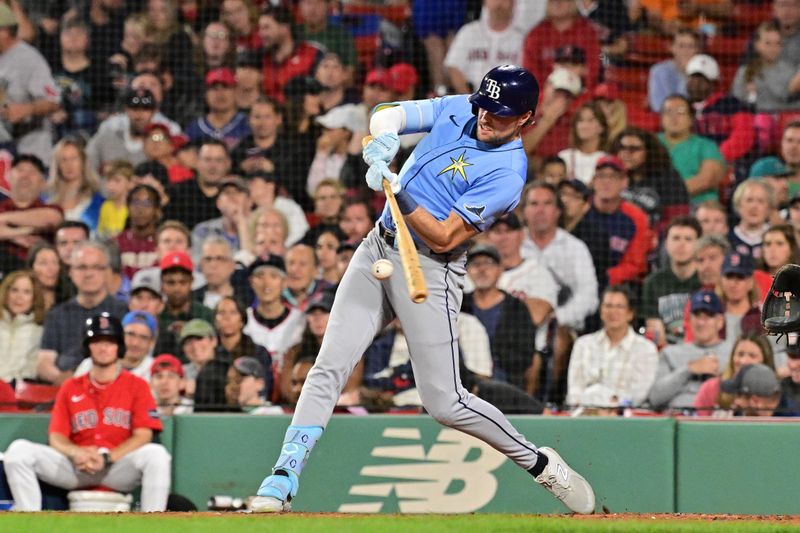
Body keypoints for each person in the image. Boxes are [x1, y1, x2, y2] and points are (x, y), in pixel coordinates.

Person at [250, 65, 595, 515]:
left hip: (431, 269)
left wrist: (398, 188)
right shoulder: (462, 108)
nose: (488, 117)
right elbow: (386, 113)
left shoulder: (508, 174)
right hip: (379, 244)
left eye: (501, 113)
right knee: (328, 365)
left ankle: (540, 462)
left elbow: (444, 237)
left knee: (445, 403)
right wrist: (384, 142)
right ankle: (283, 475)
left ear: (527, 118)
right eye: (486, 105)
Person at [3, 313, 171, 512]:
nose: (103, 347)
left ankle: (154, 524)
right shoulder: (70, 387)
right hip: (76, 467)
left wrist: (108, 457)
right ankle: (29, 519)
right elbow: (56, 436)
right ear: (87, 346)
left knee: (157, 455)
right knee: (18, 451)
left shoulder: (138, 386)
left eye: (109, 341)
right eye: (97, 341)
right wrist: (76, 453)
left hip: (116, 467)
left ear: (119, 346)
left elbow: (144, 435)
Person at [36, 241, 128, 385]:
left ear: (107, 272)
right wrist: (67, 381)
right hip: (65, 389)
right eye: (82, 267)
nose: (89, 274)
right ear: (70, 272)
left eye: (97, 267)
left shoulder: (123, 312)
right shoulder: (56, 314)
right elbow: (44, 364)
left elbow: (127, 359)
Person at [461, 244, 539, 395]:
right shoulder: (460, 304)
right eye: (476, 264)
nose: (482, 269)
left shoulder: (516, 308)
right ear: (468, 271)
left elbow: (526, 353)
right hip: (463, 380)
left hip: (505, 380)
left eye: (488, 263)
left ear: (500, 270)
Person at [567, 286, 659, 410]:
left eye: (620, 307)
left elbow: (638, 396)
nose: (613, 312)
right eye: (608, 306)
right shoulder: (583, 345)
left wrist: (609, 406)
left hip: (626, 419)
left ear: (630, 313)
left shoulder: (646, 349)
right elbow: (574, 390)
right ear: (601, 311)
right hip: (586, 415)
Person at [648, 290, 733, 411]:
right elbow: (655, 398)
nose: (701, 322)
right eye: (697, 316)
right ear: (689, 319)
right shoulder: (670, 353)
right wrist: (688, 369)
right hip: (678, 418)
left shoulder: (733, 352)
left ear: (720, 321)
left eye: (708, 316)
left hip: (719, 420)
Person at [0, 3, 60, 163]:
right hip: (5, 149)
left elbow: (53, 102)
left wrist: (27, 109)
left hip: (31, 152)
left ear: (4, 31)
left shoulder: (30, 59)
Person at [583, 155, 652, 287]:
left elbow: (635, 265)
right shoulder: (580, 211)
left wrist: (603, 278)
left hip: (615, 285)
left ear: (624, 182)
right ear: (593, 181)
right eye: (601, 176)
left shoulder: (637, 217)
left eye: (613, 177)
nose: (606, 182)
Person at [610, 128, 690, 234]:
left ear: (649, 151)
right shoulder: (610, 176)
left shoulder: (669, 177)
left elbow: (678, 219)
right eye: (621, 148)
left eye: (633, 149)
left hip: (656, 237)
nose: (626, 153)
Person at [642, 216, 703, 347]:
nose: (681, 244)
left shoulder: (706, 280)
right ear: (666, 243)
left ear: (699, 244)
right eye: (676, 238)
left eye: (688, 239)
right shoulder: (653, 283)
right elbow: (655, 329)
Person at [686, 54, 755, 167]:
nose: (696, 84)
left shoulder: (731, 104)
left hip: (725, 164)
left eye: (702, 80)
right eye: (693, 78)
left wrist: (714, 157)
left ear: (713, 83)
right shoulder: (681, 106)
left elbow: (743, 138)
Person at [0, 154, 64, 276]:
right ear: (8, 177)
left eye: (32, 172)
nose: (25, 176)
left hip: (37, 273)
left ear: (42, 182)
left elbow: (51, 219)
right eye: (20, 170)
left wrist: (3, 221)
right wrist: (25, 232)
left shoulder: (51, 209)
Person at [659, 95, 727, 206]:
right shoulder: (649, 143)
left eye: (680, 113)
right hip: (657, 203)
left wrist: (665, 195)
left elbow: (706, 180)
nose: (674, 117)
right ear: (661, 118)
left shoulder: (706, 146)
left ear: (691, 119)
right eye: (668, 112)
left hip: (698, 205)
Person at [444, 0, 524, 94]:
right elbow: (453, 67)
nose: (499, 4)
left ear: (513, 3)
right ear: (485, 2)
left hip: (506, 101)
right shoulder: (469, 32)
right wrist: (469, 101)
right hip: (471, 96)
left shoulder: (521, 39)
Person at [244, 256, 305, 374]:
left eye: (274, 276)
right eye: (260, 276)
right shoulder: (243, 319)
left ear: (285, 282)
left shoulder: (300, 320)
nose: (266, 283)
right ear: (251, 281)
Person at [523, 0, 601, 90]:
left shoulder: (587, 32)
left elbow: (593, 70)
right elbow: (530, 73)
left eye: (563, 0)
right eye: (552, 1)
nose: (557, 3)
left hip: (580, 93)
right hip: (546, 96)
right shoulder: (536, 34)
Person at [693, 333, 775, 416]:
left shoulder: (775, 393)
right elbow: (696, 425)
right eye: (740, 354)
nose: (744, 361)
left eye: (752, 356)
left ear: (765, 362)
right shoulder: (711, 388)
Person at [258, 5, 323, 103]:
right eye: (260, 28)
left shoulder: (312, 54)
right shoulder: (259, 58)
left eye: (266, 28)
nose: (261, 34)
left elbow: (322, 92)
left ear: (285, 28)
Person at [157, 250, 214, 358]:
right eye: (170, 282)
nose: (177, 288)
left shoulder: (205, 314)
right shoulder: (156, 315)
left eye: (183, 282)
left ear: (191, 282)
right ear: (162, 284)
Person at [86, 87, 157, 173]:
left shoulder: (158, 145)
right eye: (135, 109)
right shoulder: (106, 137)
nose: (139, 114)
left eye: (145, 109)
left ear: (153, 112)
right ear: (126, 110)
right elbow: (87, 167)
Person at [733, 21, 800, 112]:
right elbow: (736, 97)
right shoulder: (745, 70)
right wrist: (746, 93)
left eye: (778, 43)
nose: (773, 48)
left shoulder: (790, 71)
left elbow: (785, 96)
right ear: (757, 45)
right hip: (753, 119)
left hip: (784, 118)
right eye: (768, 43)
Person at [163, 139, 230, 229]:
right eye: (207, 159)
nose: (213, 166)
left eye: (219, 160)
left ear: (228, 164)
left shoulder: (235, 195)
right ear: (197, 162)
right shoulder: (176, 192)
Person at [74, 310, 158, 381]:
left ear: (152, 343)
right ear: (120, 335)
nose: (135, 343)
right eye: (131, 334)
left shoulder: (157, 369)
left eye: (143, 337)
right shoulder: (89, 365)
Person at [46, 138, 105, 233]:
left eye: (74, 158)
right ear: (57, 165)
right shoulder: (47, 199)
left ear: (83, 161)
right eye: (63, 160)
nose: (69, 164)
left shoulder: (97, 199)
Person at [184, 68, 250, 151]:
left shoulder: (248, 124)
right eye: (214, 88)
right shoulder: (194, 128)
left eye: (225, 87)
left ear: (236, 91)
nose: (220, 93)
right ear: (205, 94)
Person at [0, 270, 46, 383]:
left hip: (20, 392)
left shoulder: (40, 332)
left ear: (34, 298)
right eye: (14, 290)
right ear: (6, 293)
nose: (19, 297)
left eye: (26, 292)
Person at [191, 177, 251, 262]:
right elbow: (198, 265)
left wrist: (242, 226)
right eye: (226, 192)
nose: (232, 196)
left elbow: (254, 264)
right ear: (218, 203)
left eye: (237, 192)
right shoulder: (203, 230)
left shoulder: (260, 229)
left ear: (249, 202)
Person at [115, 184, 161, 280]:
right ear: (128, 207)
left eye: (147, 204)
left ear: (157, 210)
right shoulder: (115, 243)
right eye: (136, 203)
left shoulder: (163, 243)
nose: (140, 209)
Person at [647, 29, 699, 113]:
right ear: (672, 48)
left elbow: (700, 105)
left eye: (690, 46)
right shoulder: (658, 71)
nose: (686, 50)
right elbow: (657, 105)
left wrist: (686, 75)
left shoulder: (702, 72)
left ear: (696, 50)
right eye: (681, 46)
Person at [558, 102, 608, 184]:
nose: (584, 126)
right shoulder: (564, 157)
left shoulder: (607, 159)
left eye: (590, 120)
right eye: (580, 120)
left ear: (601, 127)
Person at [721, 363, 795, 417]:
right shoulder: (742, 413)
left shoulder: (793, 425)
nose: (736, 402)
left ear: (755, 401)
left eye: (739, 395)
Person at [727, 179, 773, 259]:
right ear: (738, 205)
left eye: (760, 201)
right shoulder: (727, 240)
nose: (754, 206)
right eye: (749, 200)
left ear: (768, 207)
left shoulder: (777, 238)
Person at [97, 161, 134, 239]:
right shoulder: (105, 206)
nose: (111, 186)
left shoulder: (134, 208)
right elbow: (100, 233)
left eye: (117, 181)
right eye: (108, 180)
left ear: (130, 183)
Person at [27, 243, 61, 311]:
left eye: (54, 262)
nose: (51, 268)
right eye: (43, 263)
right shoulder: (24, 304)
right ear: (31, 269)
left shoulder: (68, 303)